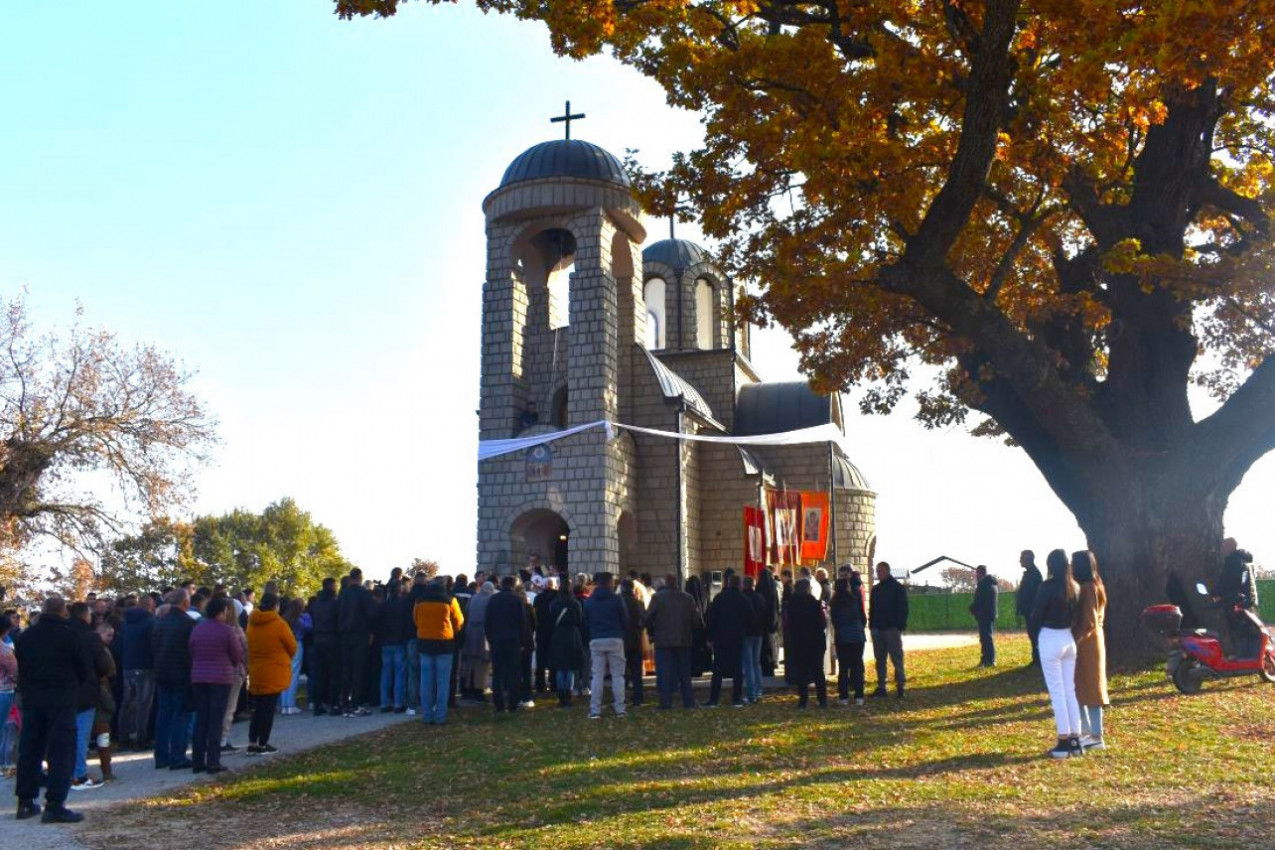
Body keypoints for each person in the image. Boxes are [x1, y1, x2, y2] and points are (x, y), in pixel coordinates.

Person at [14, 596, 93, 823]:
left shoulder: (26, 636)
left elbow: (21, 665)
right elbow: (84, 669)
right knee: (61, 752)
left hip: (32, 698)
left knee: (30, 750)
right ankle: (55, 803)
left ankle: (26, 801)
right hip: (61, 698)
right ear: (63, 612)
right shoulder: (70, 636)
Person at [1030, 549, 1083, 759]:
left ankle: (1063, 741)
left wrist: (1035, 637)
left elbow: (1036, 614)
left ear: (1050, 565)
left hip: (1050, 637)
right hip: (1068, 638)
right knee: (1070, 691)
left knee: (1057, 692)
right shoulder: (1075, 587)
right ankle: (1075, 740)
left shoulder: (1047, 586)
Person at [188, 597, 243, 774]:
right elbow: (236, 654)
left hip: (199, 677)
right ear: (221, 611)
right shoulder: (227, 631)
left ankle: (197, 761)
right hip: (220, 678)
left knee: (201, 720)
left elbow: (191, 649)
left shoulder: (197, 628)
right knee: (215, 720)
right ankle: (213, 761)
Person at [246, 593, 297, 755]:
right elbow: (292, 646)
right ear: (275, 606)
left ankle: (252, 742)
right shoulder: (279, 624)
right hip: (274, 670)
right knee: (268, 710)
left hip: (256, 670)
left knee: (258, 709)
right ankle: (263, 743)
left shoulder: (252, 623)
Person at [68, 601, 112, 790]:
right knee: (82, 734)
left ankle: (66, 771)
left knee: (66, 734)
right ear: (86, 615)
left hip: (63, 690)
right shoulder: (90, 637)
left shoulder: (63, 633)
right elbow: (103, 665)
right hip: (86, 691)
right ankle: (79, 774)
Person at [151, 589, 197, 770]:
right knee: (181, 715)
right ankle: (178, 756)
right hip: (182, 674)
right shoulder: (189, 624)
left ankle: (161, 756)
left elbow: (153, 646)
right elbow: (192, 650)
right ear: (185, 603)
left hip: (162, 672)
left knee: (164, 715)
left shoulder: (160, 623)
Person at [413, 576, 464, 725]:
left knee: (426, 681)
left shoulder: (419, 600)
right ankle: (441, 716)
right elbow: (459, 621)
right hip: (444, 643)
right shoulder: (450, 600)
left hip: (425, 643)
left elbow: (415, 620)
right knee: (443, 681)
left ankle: (427, 715)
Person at [1071, 550, 1109, 751]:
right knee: (1083, 687)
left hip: (1087, 643)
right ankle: (1088, 732)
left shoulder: (1087, 588)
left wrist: (1073, 641)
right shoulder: (1097, 584)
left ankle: (1096, 735)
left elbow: (1088, 622)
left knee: (1091, 689)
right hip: (1093, 641)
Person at [645, 573, 700, 709]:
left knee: (664, 674)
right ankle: (688, 702)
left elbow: (647, 618)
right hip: (684, 641)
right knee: (684, 674)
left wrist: (652, 632)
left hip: (663, 641)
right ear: (677, 583)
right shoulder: (688, 598)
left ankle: (665, 703)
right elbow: (696, 622)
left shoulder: (657, 598)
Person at [583, 572, 629, 719]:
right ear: (610, 583)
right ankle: (620, 708)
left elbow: (584, 622)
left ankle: (595, 709)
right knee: (618, 675)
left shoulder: (589, 601)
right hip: (615, 637)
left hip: (596, 638)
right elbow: (625, 619)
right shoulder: (617, 600)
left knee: (597, 676)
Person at [705, 573, 752, 708]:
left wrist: (710, 637)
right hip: (738, 638)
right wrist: (745, 632)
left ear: (729, 583)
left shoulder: (719, 598)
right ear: (740, 584)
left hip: (721, 638)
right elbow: (751, 618)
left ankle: (713, 699)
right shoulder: (744, 599)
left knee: (718, 669)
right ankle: (736, 698)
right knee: (737, 668)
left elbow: (711, 619)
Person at [485, 576, 531, 713]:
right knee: (514, 673)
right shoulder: (516, 600)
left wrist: (491, 639)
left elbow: (487, 622)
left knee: (497, 674)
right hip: (514, 641)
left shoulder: (493, 599)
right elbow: (522, 623)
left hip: (497, 641)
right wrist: (522, 642)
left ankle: (498, 704)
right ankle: (512, 704)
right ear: (513, 585)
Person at [116, 594, 156, 750]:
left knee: (127, 704)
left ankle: (123, 738)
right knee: (143, 704)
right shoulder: (150, 622)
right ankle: (141, 738)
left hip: (128, 666)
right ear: (151, 606)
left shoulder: (125, 624)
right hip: (145, 665)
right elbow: (153, 644)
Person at [337, 569, 378, 717]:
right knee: (358, 670)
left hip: (344, 634)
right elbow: (373, 613)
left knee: (346, 669)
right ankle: (356, 704)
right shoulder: (363, 594)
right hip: (360, 634)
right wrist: (371, 631)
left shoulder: (343, 594)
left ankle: (345, 703)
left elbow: (338, 613)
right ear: (360, 578)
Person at [868, 561, 908, 698]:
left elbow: (903, 609)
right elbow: (872, 610)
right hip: (878, 628)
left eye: (880, 571)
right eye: (877, 571)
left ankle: (901, 685)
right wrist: (872, 625)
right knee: (880, 659)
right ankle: (881, 686)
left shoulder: (897, 588)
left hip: (892, 628)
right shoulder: (876, 589)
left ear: (887, 571)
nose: (878, 574)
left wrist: (899, 627)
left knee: (896, 658)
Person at [786, 579, 828, 708]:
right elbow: (823, 623)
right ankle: (822, 700)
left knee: (802, 672)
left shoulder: (791, 605)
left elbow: (788, 624)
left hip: (799, 641)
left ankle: (803, 701)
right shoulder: (815, 604)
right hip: (815, 641)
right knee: (818, 671)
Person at [830, 574, 867, 705]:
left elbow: (835, 622)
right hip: (857, 636)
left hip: (842, 637)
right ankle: (859, 696)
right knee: (857, 666)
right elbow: (863, 618)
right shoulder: (854, 600)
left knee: (844, 668)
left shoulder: (834, 604)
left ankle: (843, 696)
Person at [547, 581, 586, 707]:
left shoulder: (554, 604)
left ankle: (561, 695)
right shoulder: (575, 603)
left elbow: (551, 619)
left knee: (560, 667)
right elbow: (580, 620)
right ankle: (568, 694)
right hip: (572, 635)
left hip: (558, 635)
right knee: (569, 667)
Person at [307, 577, 341, 716]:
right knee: (334, 673)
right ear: (332, 587)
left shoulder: (316, 604)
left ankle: (317, 704)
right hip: (332, 639)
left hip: (318, 639)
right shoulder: (335, 604)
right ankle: (334, 704)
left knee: (319, 674)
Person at [375, 580, 410, 714]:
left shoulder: (383, 605)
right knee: (399, 674)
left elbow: (378, 622)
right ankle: (398, 703)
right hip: (399, 641)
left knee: (385, 673)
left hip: (385, 642)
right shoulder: (403, 605)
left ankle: (384, 703)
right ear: (400, 590)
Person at [462, 582, 494, 702]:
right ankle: (478, 689)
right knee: (482, 664)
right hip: (483, 633)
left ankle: (467, 687)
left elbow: (466, 613)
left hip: (470, 632)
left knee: (470, 662)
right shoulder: (490, 599)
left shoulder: (473, 597)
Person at [280, 598, 312, 715]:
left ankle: (284, 705)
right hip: (297, 644)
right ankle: (291, 704)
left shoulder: (285, 618)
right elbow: (308, 628)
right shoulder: (299, 619)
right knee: (294, 675)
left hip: (285, 647)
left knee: (285, 675)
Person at [619, 579, 646, 707]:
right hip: (636, 638)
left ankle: (621, 697)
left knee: (621, 671)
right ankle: (638, 698)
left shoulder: (618, 601)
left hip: (621, 639)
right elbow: (644, 620)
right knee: (636, 672)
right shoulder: (639, 603)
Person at [740, 576, 766, 704]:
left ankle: (751, 693)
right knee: (756, 663)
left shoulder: (742, 598)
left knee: (748, 664)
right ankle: (758, 690)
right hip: (759, 633)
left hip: (746, 633)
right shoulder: (760, 598)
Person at [1017, 550, 1044, 667]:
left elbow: (1032, 594)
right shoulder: (1030, 573)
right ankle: (1036, 659)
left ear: (1028, 559)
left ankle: (1038, 660)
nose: (1020, 560)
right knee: (1033, 635)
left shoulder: (1034, 574)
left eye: (1022, 558)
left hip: (1033, 611)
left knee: (1035, 635)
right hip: (1030, 610)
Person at [969, 565, 999, 668]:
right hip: (989, 614)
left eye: (976, 573)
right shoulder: (991, 583)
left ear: (979, 573)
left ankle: (988, 660)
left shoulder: (983, 584)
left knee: (986, 638)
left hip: (984, 614)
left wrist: (972, 609)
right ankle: (988, 660)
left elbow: (980, 600)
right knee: (986, 637)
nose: (975, 575)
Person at [533, 576, 559, 693]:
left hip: (541, 631)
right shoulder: (558, 597)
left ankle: (540, 685)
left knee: (541, 660)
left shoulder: (538, 598)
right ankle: (554, 684)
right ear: (554, 585)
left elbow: (535, 615)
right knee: (554, 659)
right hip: (554, 632)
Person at [0, 614, 17, 779]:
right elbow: (15, 672)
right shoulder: (5, 650)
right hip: (4, 691)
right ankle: (3, 765)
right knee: (4, 730)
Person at [756, 568, 781, 677]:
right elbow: (776, 606)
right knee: (770, 647)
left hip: (760, 622)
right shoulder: (773, 588)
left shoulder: (759, 588)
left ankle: (762, 668)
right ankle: (769, 669)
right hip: (771, 620)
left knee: (762, 648)